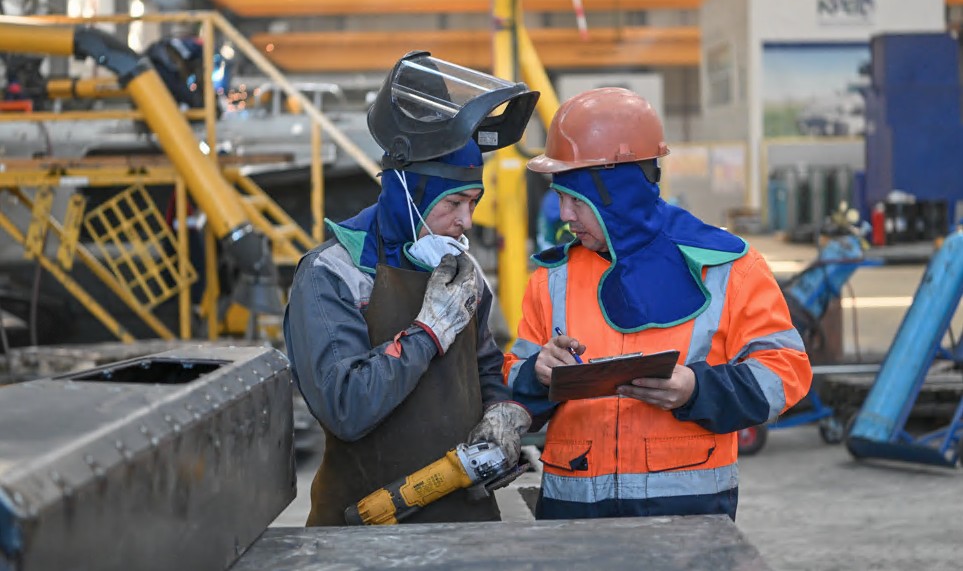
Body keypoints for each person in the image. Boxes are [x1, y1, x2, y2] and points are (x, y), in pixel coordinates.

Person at [504, 87, 812, 521]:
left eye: (577, 198)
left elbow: (786, 372)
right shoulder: (553, 277)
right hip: (572, 516)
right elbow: (509, 379)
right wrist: (537, 373)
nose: (565, 215)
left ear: (618, 192)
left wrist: (696, 389)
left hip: (688, 515)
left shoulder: (728, 266)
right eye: (560, 196)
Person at [283, 51, 539, 526]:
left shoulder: (459, 270)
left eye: (474, 201)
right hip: (365, 531)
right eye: (454, 202)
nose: (465, 221)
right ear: (408, 193)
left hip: (466, 524)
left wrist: (502, 415)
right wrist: (428, 332)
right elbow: (347, 407)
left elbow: (484, 367)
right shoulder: (332, 275)